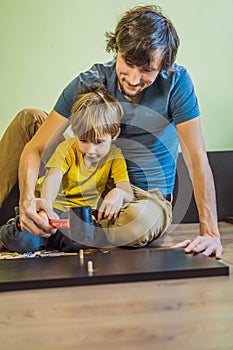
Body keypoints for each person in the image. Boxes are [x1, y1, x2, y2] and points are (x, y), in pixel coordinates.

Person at [0, 5, 222, 257]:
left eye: (147, 71)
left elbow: (196, 160)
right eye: (128, 63)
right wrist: (27, 199)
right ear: (117, 49)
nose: (134, 79)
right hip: (84, 186)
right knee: (28, 119)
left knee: (138, 223)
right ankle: (48, 222)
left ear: (164, 67)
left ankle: (55, 230)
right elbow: (37, 147)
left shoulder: (177, 83)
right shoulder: (91, 80)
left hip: (141, 197)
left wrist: (210, 233)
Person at [0, 84, 137, 252]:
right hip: (51, 210)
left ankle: (52, 242)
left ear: (114, 134)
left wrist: (120, 193)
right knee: (24, 243)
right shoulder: (67, 148)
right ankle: (11, 228)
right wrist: (47, 208)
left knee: (81, 240)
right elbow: (53, 177)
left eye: (98, 142)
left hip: (76, 215)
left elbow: (127, 191)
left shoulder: (115, 156)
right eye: (83, 140)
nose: (90, 150)